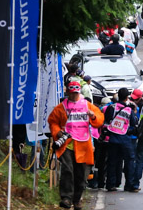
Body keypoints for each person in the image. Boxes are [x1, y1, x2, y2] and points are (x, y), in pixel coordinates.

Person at [48, 80, 104, 210]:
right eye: (71, 93)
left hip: (83, 144)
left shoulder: (87, 105)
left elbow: (100, 120)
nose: (74, 95)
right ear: (68, 92)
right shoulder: (61, 107)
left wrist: (93, 116)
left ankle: (77, 199)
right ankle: (66, 198)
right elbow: (53, 121)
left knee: (82, 174)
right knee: (68, 170)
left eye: (76, 93)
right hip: (67, 144)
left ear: (79, 92)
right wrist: (58, 133)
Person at [104, 88, 139, 192]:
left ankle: (110, 184)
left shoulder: (111, 107)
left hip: (113, 138)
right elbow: (133, 123)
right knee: (129, 161)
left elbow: (107, 120)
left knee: (112, 162)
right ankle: (129, 184)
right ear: (127, 97)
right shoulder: (129, 110)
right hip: (125, 139)